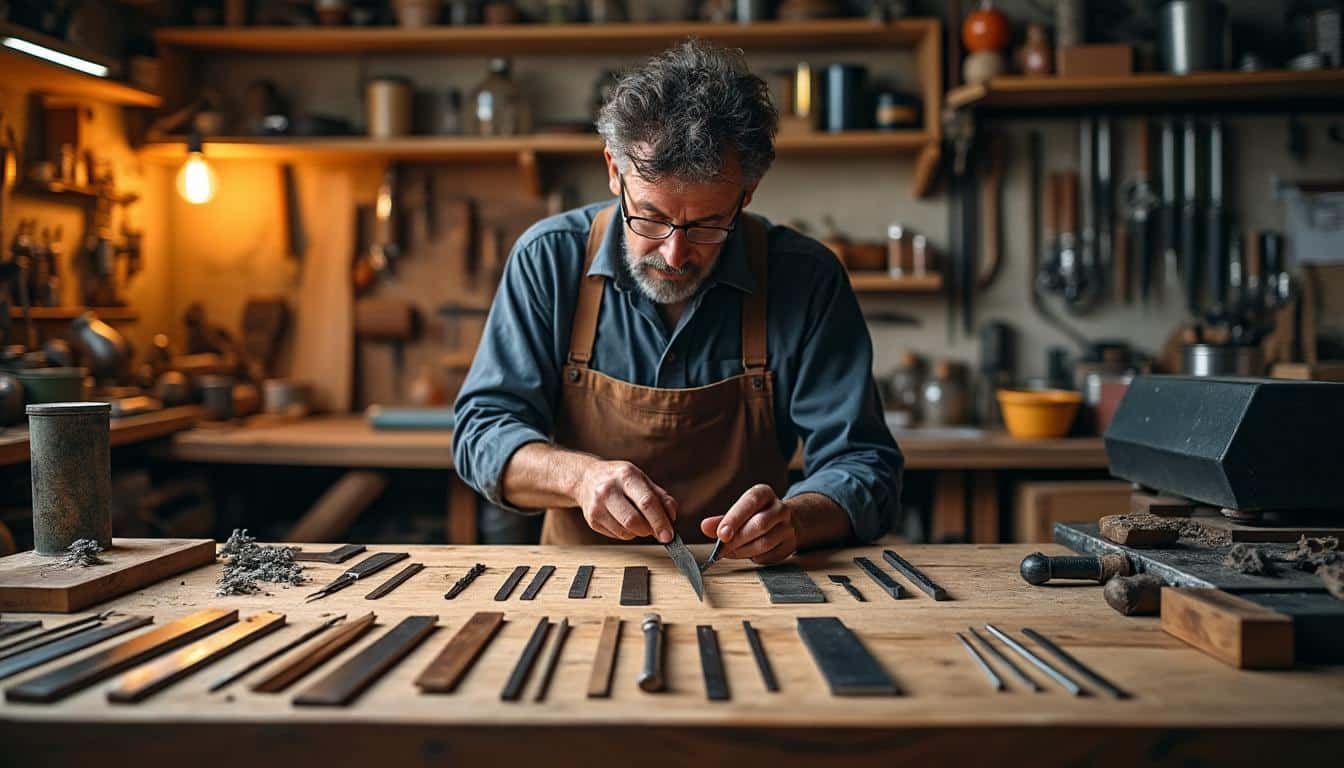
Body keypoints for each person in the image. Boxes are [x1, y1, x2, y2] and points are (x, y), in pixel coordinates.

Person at [453, 39, 902, 563]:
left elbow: (865, 463)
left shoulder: (805, 278)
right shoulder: (549, 260)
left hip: (748, 582)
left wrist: (798, 519)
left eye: (708, 225)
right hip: (584, 581)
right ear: (614, 172)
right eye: (650, 217)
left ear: (746, 196)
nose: (675, 252)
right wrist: (579, 477)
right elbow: (482, 432)